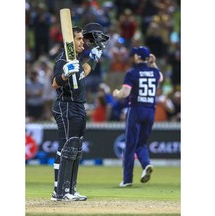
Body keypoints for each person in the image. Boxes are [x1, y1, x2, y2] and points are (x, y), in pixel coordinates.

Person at [50, 23, 109, 201]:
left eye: (83, 38)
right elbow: (55, 83)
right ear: (70, 41)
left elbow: (84, 71)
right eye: (79, 38)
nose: (83, 42)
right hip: (66, 105)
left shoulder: (75, 60)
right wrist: (64, 75)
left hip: (77, 106)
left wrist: (94, 56)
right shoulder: (63, 60)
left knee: (74, 149)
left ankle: (70, 189)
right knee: (66, 148)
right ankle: (58, 191)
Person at [112, 46, 163, 187]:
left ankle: (127, 179)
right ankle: (146, 165)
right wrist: (153, 63)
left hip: (136, 110)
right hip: (150, 112)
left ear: (137, 58)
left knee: (130, 145)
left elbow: (126, 92)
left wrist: (116, 93)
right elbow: (161, 77)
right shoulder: (154, 72)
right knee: (141, 144)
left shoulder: (132, 73)